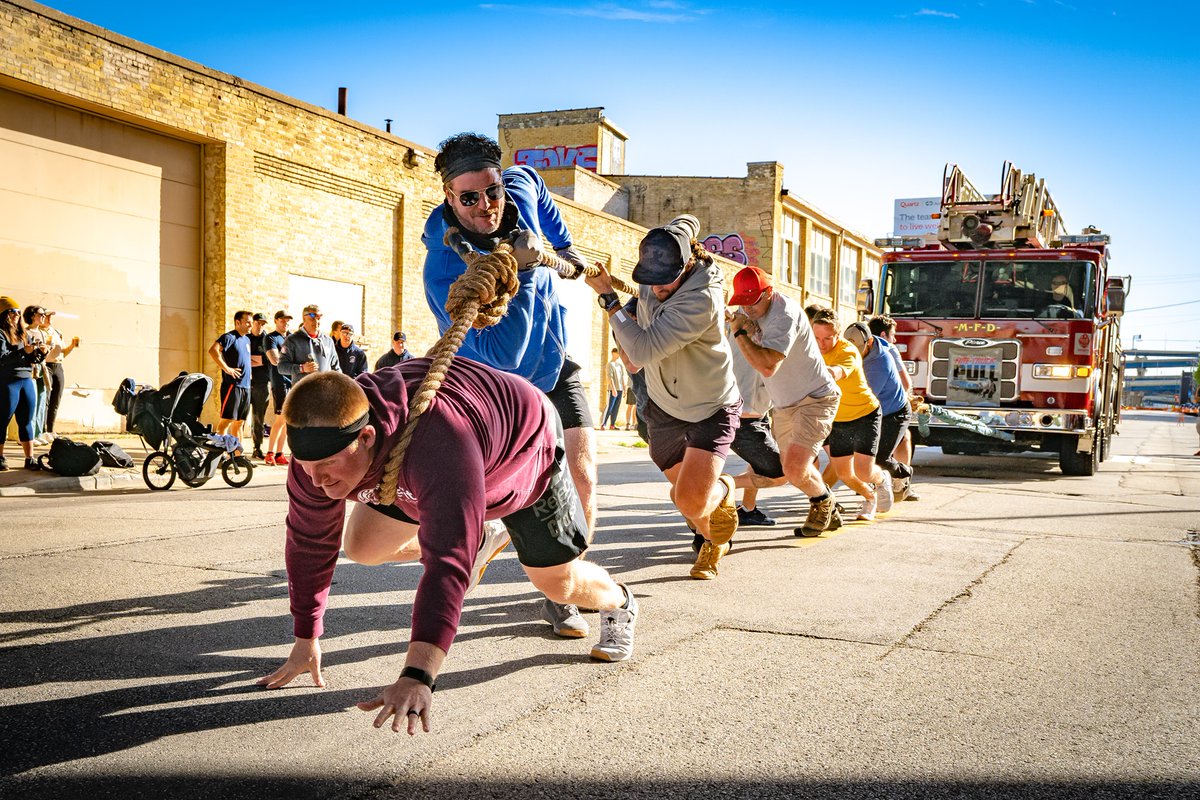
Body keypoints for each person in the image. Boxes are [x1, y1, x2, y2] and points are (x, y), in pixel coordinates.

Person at [257, 364, 639, 734]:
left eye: (327, 465)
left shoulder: (439, 444)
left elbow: (447, 565)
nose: (316, 480)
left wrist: (418, 675)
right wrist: (306, 637)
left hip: (520, 453)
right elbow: (309, 543)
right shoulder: (316, 454)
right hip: (419, 467)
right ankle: (478, 531)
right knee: (362, 547)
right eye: (305, 466)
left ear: (367, 437)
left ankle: (620, 603)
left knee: (559, 584)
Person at [421, 132, 595, 636]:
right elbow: (504, 354)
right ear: (450, 198)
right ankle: (494, 530)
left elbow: (538, 189)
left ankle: (564, 588)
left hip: (556, 364)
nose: (485, 206)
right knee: (509, 489)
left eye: (491, 192)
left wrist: (561, 247)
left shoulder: (518, 189)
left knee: (582, 475)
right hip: (495, 385)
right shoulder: (445, 265)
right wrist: (521, 268)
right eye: (469, 198)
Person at [585, 214, 741, 580]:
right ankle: (712, 539)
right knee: (685, 496)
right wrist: (628, 311)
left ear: (687, 266)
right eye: (648, 282)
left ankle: (722, 492)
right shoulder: (664, 264)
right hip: (664, 406)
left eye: (663, 282)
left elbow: (638, 354)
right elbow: (687, 221)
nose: (654, 289)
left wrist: (609, 299)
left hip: (710, 406)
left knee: (690, 498)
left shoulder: (701, 300)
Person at [726, 267, 843, 537]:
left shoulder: (784, 315)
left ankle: (821, 503)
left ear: (769, 292)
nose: (747, 307)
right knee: (790, 471)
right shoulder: (747, 310)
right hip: (783, 405)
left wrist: (740, 333)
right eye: (742, 301)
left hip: (815, 399)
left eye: (753, 300)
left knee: (794, 468)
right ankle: (829, 506)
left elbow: (767, 366)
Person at [810, 307, 890, 521]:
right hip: (838, 419)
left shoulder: (848, 351)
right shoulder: (811, 348)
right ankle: (870, 497)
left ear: (838, 335)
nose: (821, 343)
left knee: (864, 471)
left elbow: (836, 372)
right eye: (816, 337)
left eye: (827, 338)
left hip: (866, 414)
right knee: (844, 473)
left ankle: (882, 478)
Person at [724, 316, 787, 530]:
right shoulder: (742, 326)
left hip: (755, 412)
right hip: (743, 416)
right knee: (781, 473)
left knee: (757, 463)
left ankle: (748, 509)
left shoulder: (761, 326)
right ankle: (716, 487)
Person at [868, 314, 919, 500]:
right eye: (893, 334)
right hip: (889, 409)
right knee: (904, 437)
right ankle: (901, 483)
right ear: (884, 334)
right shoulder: (888, 348)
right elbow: (905, 383)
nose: (895, 339)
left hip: (865, 410)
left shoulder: (860, 348)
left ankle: (870, 481)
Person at [0, 296, 46, 470]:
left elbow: (29, 358)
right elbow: (2, 358)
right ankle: (0, 456)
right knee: (2, 420)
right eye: (12, 312)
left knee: (27, 420)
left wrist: (40, 353)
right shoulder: (0, 333)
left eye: (18, 312)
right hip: (7, 381)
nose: (17, 315)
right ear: (4, 314)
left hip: (26, 379)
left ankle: (30, 458)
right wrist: (23, 352)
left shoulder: (23, 333)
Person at [207, 310, 253, 440]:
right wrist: (227, 368)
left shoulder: (247, 340)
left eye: (251, 322)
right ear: (238, 322)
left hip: (246, 387)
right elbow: (213, 351)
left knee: (239, 423)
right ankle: (218, 454)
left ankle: (237, 456)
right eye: (248, 322)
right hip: (233, 386)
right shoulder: (229, 337)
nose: (251, 325)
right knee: (226, 421)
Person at [39, 310, 79, 442]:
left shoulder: (57, 332)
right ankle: (43, 430)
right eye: (47, 316)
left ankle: (51, 429)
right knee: (46, 399)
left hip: (58, 366)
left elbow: (62, 353)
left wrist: (72, 346)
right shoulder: (39, 332)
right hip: (47, 366)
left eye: (51, 316)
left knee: (56, 399)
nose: (50, 318)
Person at [277, 303, 340, 385]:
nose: (316, 321)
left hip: (325, 392)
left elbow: (336, 368)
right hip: (303, 392)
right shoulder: (292, 340)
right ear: (304, 319)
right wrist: (302, 368)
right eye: (312, 318)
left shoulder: (328, 341)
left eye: (318, 318)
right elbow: (281, 367)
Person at [264, 310, 293, 466]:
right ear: (276, 321)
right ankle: (270, 453)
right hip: (280, 381)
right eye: (282, 320)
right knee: (281, 418)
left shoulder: (291, 338)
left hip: (293, 381)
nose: (286, 323)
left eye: (288, 320)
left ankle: (280, 454)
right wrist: (293, 362)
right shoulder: (271, 338)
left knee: (288, 421)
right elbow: (275, 360)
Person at [21, 306, 50, 445]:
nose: (43, 316)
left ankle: (38, 433)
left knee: (41, 400)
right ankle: (29, 435)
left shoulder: (43, 333)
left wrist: (46, 350)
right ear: (32, 316)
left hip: (41, 368)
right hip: (30, 368)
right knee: (31, 402)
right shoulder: (25, 331)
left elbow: (45, 354)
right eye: (41, 314)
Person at [247, 312, 272, 460]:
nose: (261, 326)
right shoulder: (246, 338)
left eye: (263, 324)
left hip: (262, 384)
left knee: (258, 418)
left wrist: (251, 359)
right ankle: (236, 450)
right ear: (253, 323)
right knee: (241, 417)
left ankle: (257, 447)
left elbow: (268, 360)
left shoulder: (267, 340)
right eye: (258, 323)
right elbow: (240, 359)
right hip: (246, 383)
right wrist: (258, 360)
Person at [599, 348, 627, 430]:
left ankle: (612, 425)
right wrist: (613, 389)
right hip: (612, 390)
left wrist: (624, 389)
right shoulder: (610, 364)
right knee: (609, 407)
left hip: (620, 389)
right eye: (617, 353)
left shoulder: (620, 365)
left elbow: (622, 377)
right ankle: (603, 424)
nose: (618, 355)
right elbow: (609, 378)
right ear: (613, 353)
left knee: (616, 408)